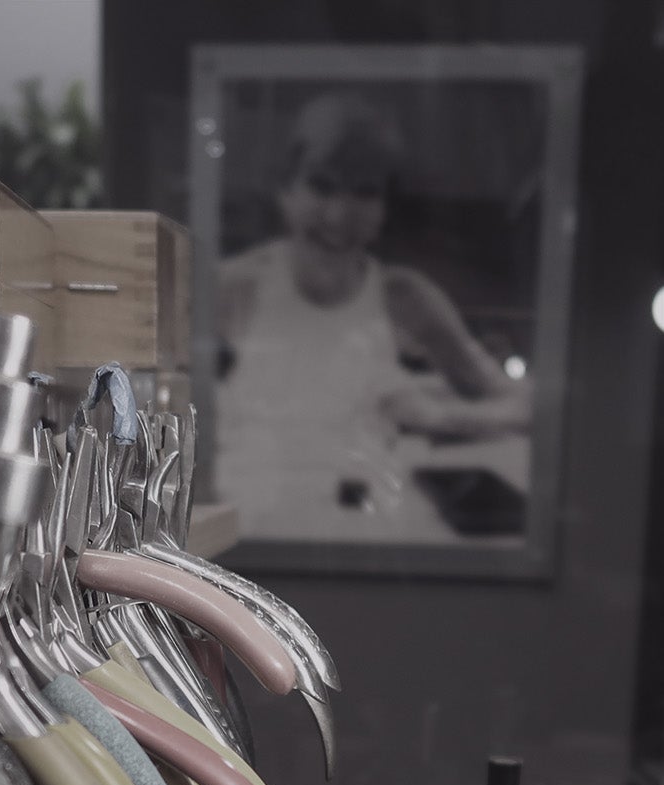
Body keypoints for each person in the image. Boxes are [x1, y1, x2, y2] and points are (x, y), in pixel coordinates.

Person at [215, 92, 531, 539]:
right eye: (322, 185)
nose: (340, 215)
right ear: (285, 189)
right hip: (252, 536)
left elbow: (523, 407)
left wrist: (437, 417)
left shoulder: (406, 297)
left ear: (384, 207)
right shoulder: (233, 288)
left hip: (366, 533)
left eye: (365, 192)